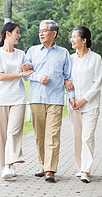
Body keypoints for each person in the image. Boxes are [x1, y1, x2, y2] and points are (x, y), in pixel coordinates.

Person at [24, 20, 73, 183]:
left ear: (54, 33)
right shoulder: (32, 51)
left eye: (44, 31)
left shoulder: (64, 53)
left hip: (56, 99)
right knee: (40, 135)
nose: (41, 33)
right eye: (40, 31)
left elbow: (68, 76)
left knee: (52, 135)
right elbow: (25, 72)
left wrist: (71, 94)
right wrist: (39, 77)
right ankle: (43, 166)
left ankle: (50, 170)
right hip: (36, 98)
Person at [0, 22, 33, 179]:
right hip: (0, 99)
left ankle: (8, 165)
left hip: (18, 99)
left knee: (13, 132)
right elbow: (0, 76)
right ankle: (7, 165)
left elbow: (27, 76)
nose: (19, 35)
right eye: (17, 32)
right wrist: (21, 74)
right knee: (2, 135)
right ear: (8, 34)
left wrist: (27, 68)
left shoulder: (21, 53)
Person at [68, 26, 102, 183]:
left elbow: (97, 83)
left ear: (84, 40)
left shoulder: (96, 58)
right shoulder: (70, 59)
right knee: (77, 137)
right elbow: (67, 82)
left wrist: (84, 100)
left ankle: (85, 170)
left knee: (87, 137)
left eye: (75, 37)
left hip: (90, 105)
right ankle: (80, 166)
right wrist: (72, 98)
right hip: (74, 105)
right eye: (72, 36)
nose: (72, 39)